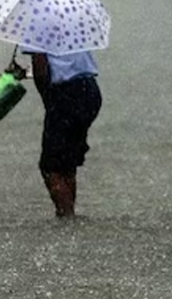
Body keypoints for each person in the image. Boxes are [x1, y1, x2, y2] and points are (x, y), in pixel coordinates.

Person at [8, 49, 102, 219]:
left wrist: (49, 101)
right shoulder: (74, 30)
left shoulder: (37, 32)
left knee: (50, 167)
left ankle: (66, 218)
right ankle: (69, 214)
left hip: (66, 95)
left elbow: (41, 70)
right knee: (67, 162)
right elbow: (66, 66)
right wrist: (24, 73)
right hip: (90, 91)